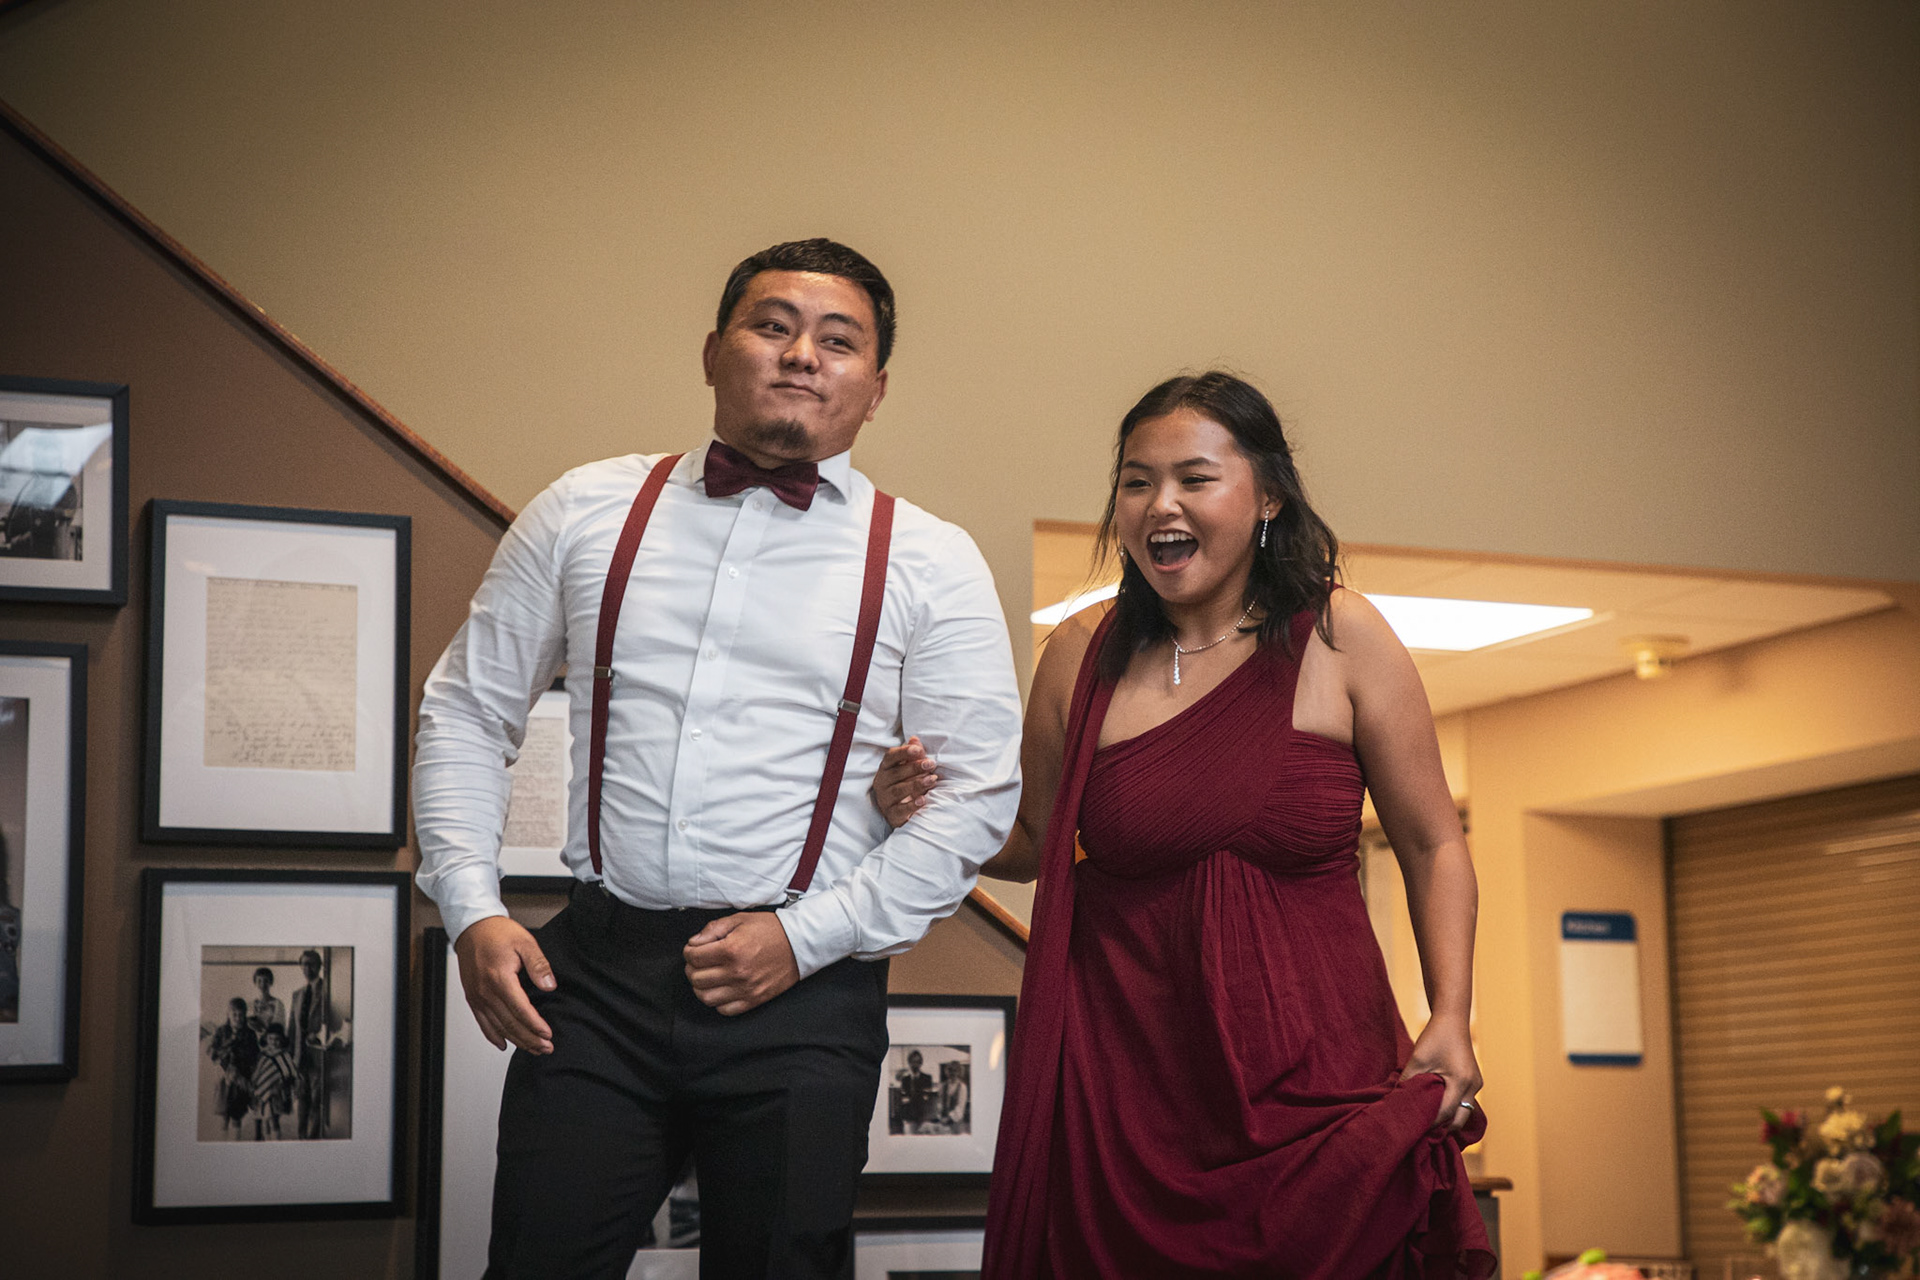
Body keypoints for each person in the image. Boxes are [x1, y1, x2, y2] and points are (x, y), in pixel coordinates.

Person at [412, 238, 1023, 1280]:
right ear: (712, 351)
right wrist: (470, 905)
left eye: (838, 341)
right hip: (599, 977)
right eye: (772, 325)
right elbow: (468, 710)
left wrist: (805, 936)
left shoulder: (930, 560)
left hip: (807, 995)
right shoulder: (585, 509)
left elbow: (975, 797)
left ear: (875, 389)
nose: (801, 355)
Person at [876, 372, 1494, 1278]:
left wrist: (1452, 1013)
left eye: (1195, 478)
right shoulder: (1081, 656)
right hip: (1130, 1101)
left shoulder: (1341, 636)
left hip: (1320, 1084)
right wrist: (922, 814)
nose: (1160, 504)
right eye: (1137, 482)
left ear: (1268, 495)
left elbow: (1435, 844)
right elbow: (1031, 843)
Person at [285, 949, 329, 1140]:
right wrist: (289, 1058)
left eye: (311, 964)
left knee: (317, 1100)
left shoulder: (329, 990)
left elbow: (332, 1021)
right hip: (299, 1056)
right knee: (301, 1099)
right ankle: (301, 1137)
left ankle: (313, 1140)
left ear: (319, 966)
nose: (307, 968)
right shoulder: (297, 995)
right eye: (304, 964)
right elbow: (292, 1028)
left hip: (319, 1055)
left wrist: (318, 1035)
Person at [206, 997, 258, 1140]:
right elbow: (211, 1050)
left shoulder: (249, 1034)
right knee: (224, 1116)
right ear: (228, 1014)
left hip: (241, 1080)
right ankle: (222, 1144)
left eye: (241, 1015)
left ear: (245, 1015)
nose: (238, 1018)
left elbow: (255, 1057)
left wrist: (248, 1076)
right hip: (224, 1079)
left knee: (237, 1116)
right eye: (234, 1014)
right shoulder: (222, 1031)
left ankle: (235, 1144)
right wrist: (220, 1057)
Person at [250, 1021, 298, 1141]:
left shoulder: (284, 1056)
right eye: (270, 1039)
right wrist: (255, 1084)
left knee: (274, 1120)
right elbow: (258, 1072)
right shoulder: (263, 1054)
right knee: (263, 1118)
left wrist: (281, 1086)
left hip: (277, 1094)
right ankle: (266, 1142)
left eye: (277, 1039)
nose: (273, 1042)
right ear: (266, 1039)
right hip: (262, 1091)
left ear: (282, 1040)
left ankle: (276, 1142)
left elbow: (290, 1074)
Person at [248, 965, 286, 1038]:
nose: (262, 984)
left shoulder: (278, 1004)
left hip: (272, 1041)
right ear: (255, 983)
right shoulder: (250, 1005)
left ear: (271, 982)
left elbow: (280, 1027)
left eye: (266, 981)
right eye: (259, 981)